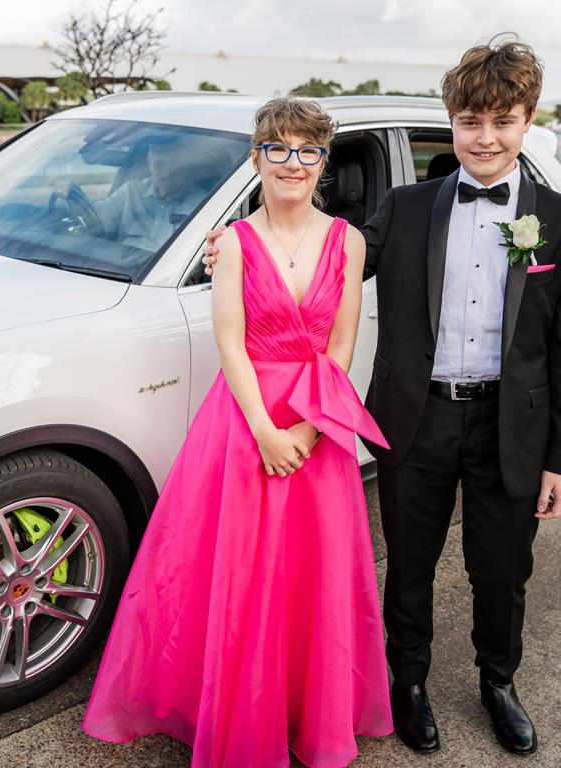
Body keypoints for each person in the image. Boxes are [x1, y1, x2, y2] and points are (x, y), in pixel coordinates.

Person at [202, 36, 561, 757]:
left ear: (527, 121)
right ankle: (410, 683)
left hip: (511, 425)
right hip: (416, 417)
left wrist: (557, 456)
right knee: (411, 562)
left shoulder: (556, 219)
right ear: (452, 121)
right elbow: (322, 250)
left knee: (502, 568)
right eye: (468, 121)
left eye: (501, 120)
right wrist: (236, 246)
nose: (484, 138)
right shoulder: (406, 206)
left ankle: (499, 682)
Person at [82, 98, 393, 768]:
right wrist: (265, 431)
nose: (293, 162)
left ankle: (307, 716)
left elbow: (340, 344)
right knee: (238, 574)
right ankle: (238, 716)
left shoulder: (348, 241)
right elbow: (231, 343)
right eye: (277, 148)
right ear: (256, 159)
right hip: (243, 421)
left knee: (312, 577)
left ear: (323, 163)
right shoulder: (235, 243)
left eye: (308, 150)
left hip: (317, 422)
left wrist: (309, 431)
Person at [53, 137, 209, 251]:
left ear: (186, 166)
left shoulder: (201, 205)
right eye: (159, 165)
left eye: (174, 164)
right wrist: (75, 197)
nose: (166, 172)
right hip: (117, 268)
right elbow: (96, 220)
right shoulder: (131, 191)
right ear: (149, 164)